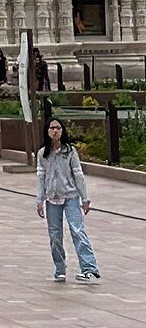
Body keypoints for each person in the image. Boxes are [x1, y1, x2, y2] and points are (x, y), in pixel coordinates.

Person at [36, 117, 101, 282]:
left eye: (58, 128)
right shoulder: (43, 154)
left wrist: (85, 198)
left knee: (77, 231)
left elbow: (78, 174)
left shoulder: (70, 151)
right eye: (51, 128)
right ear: (47, 131)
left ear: (62, 131)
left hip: (71, 196)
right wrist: (39, 199)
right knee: (55, 235)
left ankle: (89, 268)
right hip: (52, 199)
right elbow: (40, 177)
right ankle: (60, 268)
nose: (55, 131)